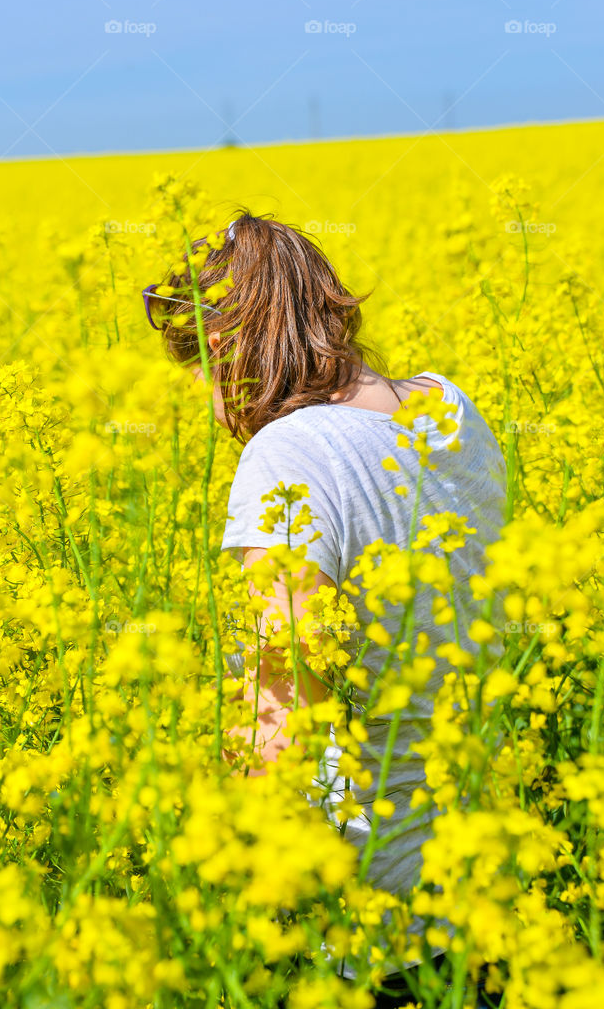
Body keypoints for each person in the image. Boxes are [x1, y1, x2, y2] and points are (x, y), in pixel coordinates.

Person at [141, 209, 508, 1001]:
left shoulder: (290, 454)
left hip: (376, 917)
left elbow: (285, 705)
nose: (210, 404)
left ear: (239, 351)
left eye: (206, 370)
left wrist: (230, 891)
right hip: (493, 879)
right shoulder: (452, 409)